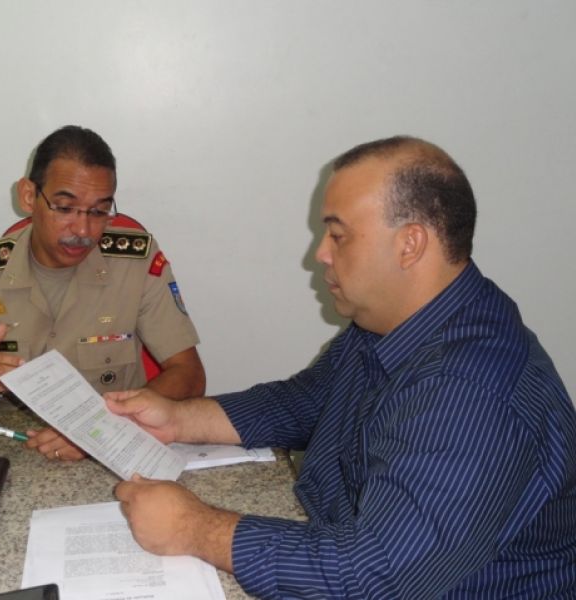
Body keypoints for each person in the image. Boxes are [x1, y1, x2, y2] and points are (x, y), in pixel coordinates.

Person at [110, 136, 576, 598]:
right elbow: (306, 402)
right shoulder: (394, 322)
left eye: (338, 235)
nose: (320, 254)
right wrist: (178, 419)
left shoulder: (469, 392)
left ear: (410, 244)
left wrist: (194, 528)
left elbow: (371, 579)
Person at [0, 125, 205, 461]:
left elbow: (190, 375)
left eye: (99, 211)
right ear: (28, 196)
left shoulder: (135, 264)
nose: (83, 230)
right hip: (13, 448)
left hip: (114, 444)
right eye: (64, 208)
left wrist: (99, 428)